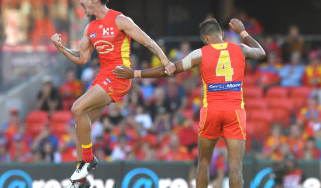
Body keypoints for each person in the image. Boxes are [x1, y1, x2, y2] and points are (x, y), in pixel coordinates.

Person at [50, 0, 175, 187]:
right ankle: (81, 178)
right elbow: (81, 58)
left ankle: (88, 161)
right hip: (103, 77)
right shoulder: (90, 28)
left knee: (76, 108)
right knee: (81, 123)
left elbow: (148, 41)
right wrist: (62, 48)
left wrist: (167, 62)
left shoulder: (119, 20)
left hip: (118, 76)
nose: (81, 2)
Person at [113, 18, 265, 188]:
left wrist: (135, 73)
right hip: (235, 111)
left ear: (205, 39)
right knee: (236, 167)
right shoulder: (240, 49)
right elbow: (261, 53)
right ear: (221, 34)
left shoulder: (200, 53)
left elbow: (169, 69)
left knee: (204, 163)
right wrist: (242, 32)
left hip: (211, 111)